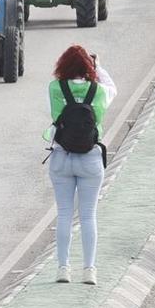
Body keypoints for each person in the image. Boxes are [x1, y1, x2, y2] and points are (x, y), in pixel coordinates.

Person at [47, 44, 115, 284]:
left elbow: (54, 117)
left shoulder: (55, 88)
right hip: (90, 159)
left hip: (61, 158)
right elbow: (112, 89)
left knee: (64, 214)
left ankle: (63, 269)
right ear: (88, 67)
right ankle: (89, 270)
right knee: (88, 216)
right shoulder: (97, 91)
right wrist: (99, 68)